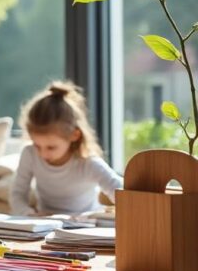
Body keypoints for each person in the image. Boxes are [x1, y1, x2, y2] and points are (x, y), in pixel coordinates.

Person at [10, 82, 122, 216]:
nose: (43, 154)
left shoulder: (88, 163)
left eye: (51, 147)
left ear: (74, 135)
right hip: (46, 225)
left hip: (84, 227)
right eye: (37, 145)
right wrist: (28, 214)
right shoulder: (30, 154)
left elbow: (119, 189)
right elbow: (17, 194)